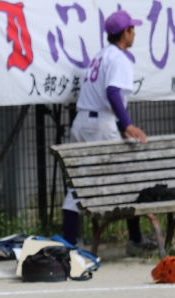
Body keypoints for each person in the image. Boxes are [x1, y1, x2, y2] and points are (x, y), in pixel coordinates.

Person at [62, 10, 156, 257]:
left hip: (82, 122)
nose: (134, 33)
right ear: (125, 33)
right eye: (132, 29)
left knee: (77, 185)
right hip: (100, 125)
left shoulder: (101, 56)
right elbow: (113, 91)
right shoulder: (119, 58)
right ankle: (135, 240)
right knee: (127, 180)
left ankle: (68, 244)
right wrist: (126, 125)